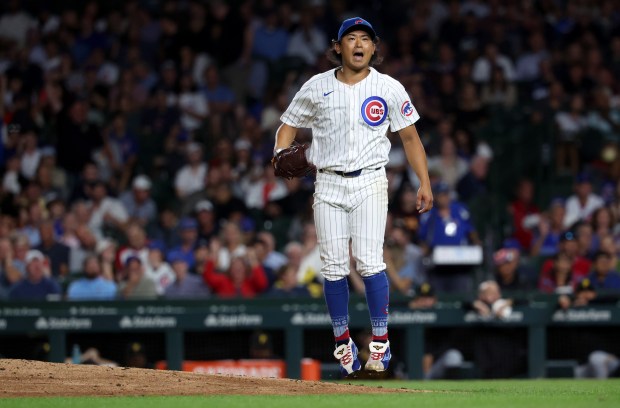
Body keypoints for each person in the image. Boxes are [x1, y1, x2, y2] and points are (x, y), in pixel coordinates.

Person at [273, 17, 433, 377]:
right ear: (337, 46)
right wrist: (278, 153)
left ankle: (379, 342)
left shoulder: (389, 87)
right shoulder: (316, 86)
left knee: (369, 261)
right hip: (327, 182)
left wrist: (425, 181)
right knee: (333, 267)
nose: (358, 44)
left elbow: (410, 138)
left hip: (371, 182)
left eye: (365, 39)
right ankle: (342, 340)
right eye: (351, 38)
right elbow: (288, 125)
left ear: (374, 48)